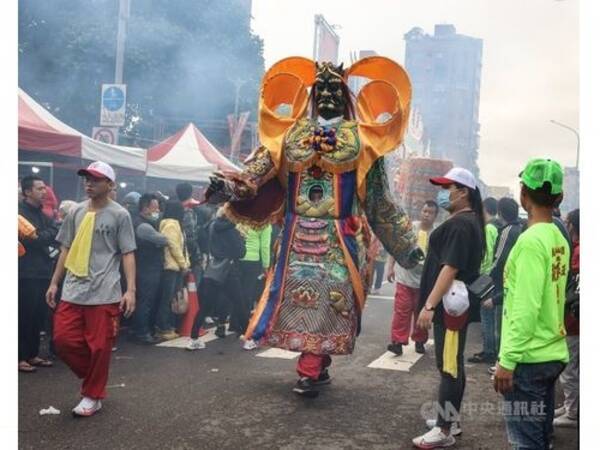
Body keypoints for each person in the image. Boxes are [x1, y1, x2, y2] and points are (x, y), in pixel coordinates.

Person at [206, 58, 420, 397]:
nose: (330, 95)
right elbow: (256, 174)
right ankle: (312, 367)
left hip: (339, 239)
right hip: (294, 237)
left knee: (330, 303)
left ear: (347, 93)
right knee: (296, 301)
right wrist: (233, 187)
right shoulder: (291, 136)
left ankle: (311, 367)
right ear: (313, 93)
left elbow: (379, 202)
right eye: (323, 88)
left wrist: (407, 247)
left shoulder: (362, 141)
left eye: (336, 88)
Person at [46, 161, 136, 417]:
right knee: (63, 340)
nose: (89, 183)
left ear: (110, 185)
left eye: (96, 179)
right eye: (87, 178)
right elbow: (65, 248)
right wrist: (55, 282)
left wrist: (130, 290)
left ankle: (92, 395)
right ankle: (95, 377)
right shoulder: (75, 212)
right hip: (73, 288)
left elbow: (128, 252)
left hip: (104, 291)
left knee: (100, 346)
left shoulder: (120, 215)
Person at [494, 158, 570, 450]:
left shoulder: (529, 242)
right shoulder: (557, 237)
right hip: (550, 352)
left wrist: (507, 361)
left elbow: (526, 308)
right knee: (541, 436)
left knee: (525, 442)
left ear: (523, 195)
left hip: (529, 358)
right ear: (559, 197)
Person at [412, 167, 485, 449]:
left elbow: (450, 268)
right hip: (454, 306)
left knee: (449, 367)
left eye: (448, 188)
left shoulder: (460, 225)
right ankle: (450, 419)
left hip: (449, 307)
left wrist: (429, 305)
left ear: (463, 192)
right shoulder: (468, 222)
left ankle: (443, 430)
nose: (443, 193)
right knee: (452, 364)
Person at [187, 207, 245, 350]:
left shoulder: (212, 226)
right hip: (229, 270)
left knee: (205, 306)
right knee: (239, 303)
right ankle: (247, 336)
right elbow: (241, 252)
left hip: (213, 269)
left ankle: (194, 338)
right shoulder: (232, 230)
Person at [386, 200, 439, 356]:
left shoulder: (437, 234)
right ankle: (397, 342)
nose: (426, 215)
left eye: (430, 212)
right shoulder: (410, 228)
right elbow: (396, 247)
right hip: (404, 278)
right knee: (401, 311)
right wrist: (390, 268)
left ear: (435, 216)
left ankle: (420, 340)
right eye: (424, 211)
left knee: (420, 312)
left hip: (424, 282)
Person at [18, 175, 59, 373]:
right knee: (23, 315)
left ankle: (32, 354)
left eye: (44, 188)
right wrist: (44, 236)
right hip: (25, 272)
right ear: (27, 192)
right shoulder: (18, 213)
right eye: (40, 188)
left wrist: (42, 236)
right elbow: (32, 240)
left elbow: (53, 234)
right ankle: (19, 356)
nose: (44, 191)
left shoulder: (43, 214)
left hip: (43, 270)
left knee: (38, 315)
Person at [486, 197, 523, 376]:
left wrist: (486, 279)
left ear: (501, 213)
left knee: (500, 326)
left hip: (502, 285)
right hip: (512, 285)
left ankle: (500, 362)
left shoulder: (507, 231)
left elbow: (498, 259)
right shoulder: (521, 229)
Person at [130, 193, 168, 344]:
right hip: (147, 268)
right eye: (155, 208)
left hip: (144, 266)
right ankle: (142, 333)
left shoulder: (142, 222)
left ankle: (139, 330)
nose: (157, 211)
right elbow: (164, 240)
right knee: (146, 301)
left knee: (143, 300)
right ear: (145, 208)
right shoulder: (143, 226)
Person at [554, 208, 579, 428]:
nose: (566, 225)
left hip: (574, 321)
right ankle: (571, 405)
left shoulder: (579, 252)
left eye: (569, 222)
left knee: (571, 368)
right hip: (573, 319)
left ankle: (572, 413)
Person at [468, 197, 500, 364]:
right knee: (491, 316)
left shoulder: (488, 229)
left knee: (486, 316)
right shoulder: (497, 226)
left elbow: (487, 255)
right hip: (494, 277)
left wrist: (481, 275)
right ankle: (491, 349)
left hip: (487, 278)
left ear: (484, 209)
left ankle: (489, 351)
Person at [156, 200, 190, 340]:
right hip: (171, 267)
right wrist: (183, 264)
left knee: (172, 299)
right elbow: (174, 247)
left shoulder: (174, 224)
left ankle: (168, 326)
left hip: (176, 266)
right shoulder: (171, 225)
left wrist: (185, 263)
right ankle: (163, 327)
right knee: (167, 299)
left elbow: (182, 247)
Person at [238, 223, 272, 350]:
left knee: (240, 292)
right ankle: (246, 326)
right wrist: (266, 265)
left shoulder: (243, 219)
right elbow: (264, 246)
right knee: (248, 293)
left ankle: (237, 324)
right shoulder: (264, 224)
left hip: (239, 258)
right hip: (253, 259)